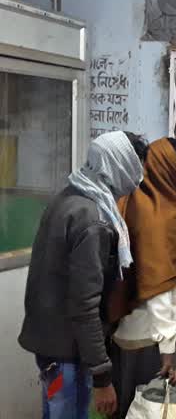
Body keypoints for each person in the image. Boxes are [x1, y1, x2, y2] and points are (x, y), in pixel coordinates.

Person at [19, 131, 147, 419]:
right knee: (67, 413)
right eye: (136, 165)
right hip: (68, 355)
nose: (138, 177)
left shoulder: (69, 196)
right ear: (119, 165)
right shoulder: (93, 220)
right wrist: (102, 378)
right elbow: (84, 303)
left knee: (54, 410)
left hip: (51, 350)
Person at [110, 137, 176, 418]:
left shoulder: (139, 198)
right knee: (149, 407)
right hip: (150, 338)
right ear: (167, 169)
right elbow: (157, 285)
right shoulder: (155, 216)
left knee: (132, 406)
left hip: (131, 329)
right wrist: (168, 348)